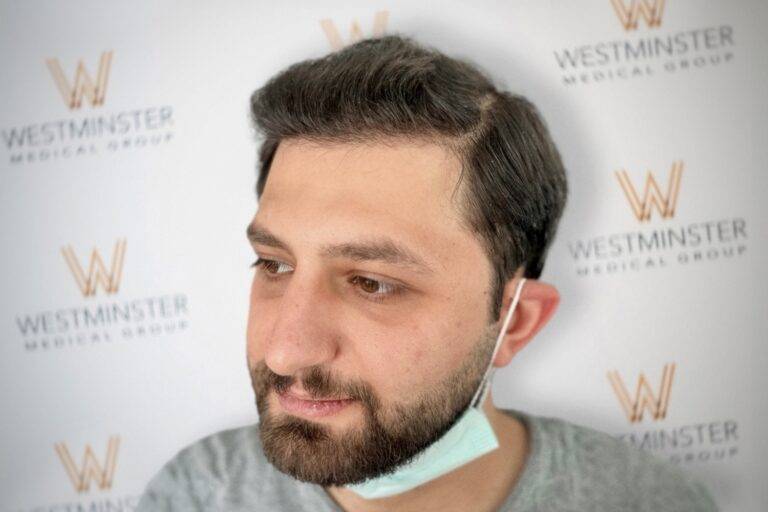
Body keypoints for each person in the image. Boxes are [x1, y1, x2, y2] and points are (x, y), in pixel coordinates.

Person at [136, 35, 717, 511]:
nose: (286, 352)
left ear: (515, 324)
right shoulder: (196, 494)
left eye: (374, 283)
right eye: (274, 264)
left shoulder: (648, 502)